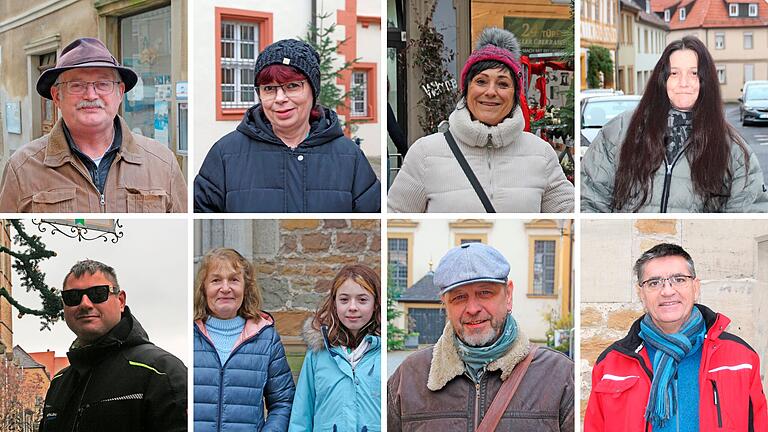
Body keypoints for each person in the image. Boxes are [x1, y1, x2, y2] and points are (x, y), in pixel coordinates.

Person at [388, 243, 574, 431]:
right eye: (459, 297)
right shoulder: (409, 377)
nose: (472, 309)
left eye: (485, 293)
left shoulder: (559, 375)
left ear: (508, 295)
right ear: (445, 303)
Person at [387, 27, 574, 213]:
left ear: (515, 94)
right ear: (466, 89)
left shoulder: (541, 153)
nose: (491, 92)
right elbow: (396, 219)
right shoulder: (425, 153)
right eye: (481, 81)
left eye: (502, 84)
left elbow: (569, 220)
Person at [584, 243, 768, 431]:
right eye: (654, 283)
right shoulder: (611, 364)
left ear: (695, 287)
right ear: (641, 293)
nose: (667, 291)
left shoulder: (741, 357)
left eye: (679, 279)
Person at [581, 36, 768, 213]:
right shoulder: (620, 130)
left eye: (694, 73)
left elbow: (751, 208)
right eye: (674, 73)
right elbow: (588, 197)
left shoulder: (733, 148)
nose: (684, 83)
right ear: (662, 79)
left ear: (706, 81)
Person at [0, 38, 187, 213]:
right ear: (57, 96)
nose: (91, 95)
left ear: (120, 93)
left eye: (103, 84)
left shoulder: (162, 163)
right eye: (76, 85)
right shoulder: (22, 169)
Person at [194, 39, 381, 213]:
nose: (280, 99)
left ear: (313, 91)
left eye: (292, 86)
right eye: (269, 88)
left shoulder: (349, 156)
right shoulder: (225, 154)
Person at [38, 260, 187, 431]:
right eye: (73, 297)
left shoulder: (160, 371)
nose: (85, 304)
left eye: (98, 293)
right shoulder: (59, 382)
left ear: (121, 300)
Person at [193, 248, 295, 431]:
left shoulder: (266, 339)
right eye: (216, 280)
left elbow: (283, 402)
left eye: (234, 280)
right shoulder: (189, 334)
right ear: (204, 288)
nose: (225, 288)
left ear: (246, 287)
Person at [288, 264, 381, 431]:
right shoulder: (318, 354)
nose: (352, 307)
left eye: (362, 300)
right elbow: (302, 413)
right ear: (334, 303)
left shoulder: (382, 355)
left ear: (375, 304)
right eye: (344, 300)